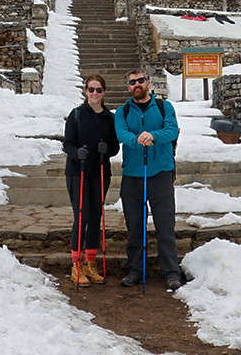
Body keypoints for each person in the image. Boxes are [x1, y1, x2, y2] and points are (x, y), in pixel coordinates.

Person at [114, 68, 182, 290]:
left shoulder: (164, 107)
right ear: (128, 87)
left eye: (140, 80)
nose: (137, 85)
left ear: (148, 82)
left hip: (160, 173)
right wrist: (138, 141)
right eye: (132, 82)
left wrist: (154, 136)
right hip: (133, 174)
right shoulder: (122, 111)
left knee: (165, 224)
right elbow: (121, 134)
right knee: (135, 225)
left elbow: (172, 131)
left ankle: (171, 271)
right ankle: (136, 269)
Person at [63, 74, 119, 286]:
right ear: (85, 91)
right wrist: (77, 152)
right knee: (82, 216)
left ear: (104, 92)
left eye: (98, 90)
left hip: (101, 172)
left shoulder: (110, 118)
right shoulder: (76, 115)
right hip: (79, 172)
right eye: (90, 89)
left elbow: (115, 147)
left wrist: (108, 150)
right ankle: (76, 265)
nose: (94, 93)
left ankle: (90, 264)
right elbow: (67, 144)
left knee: (96, 216)